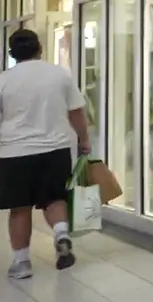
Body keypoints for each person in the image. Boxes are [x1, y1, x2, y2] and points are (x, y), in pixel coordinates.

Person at [0, 29, 90, 279]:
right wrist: (84, 139)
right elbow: (76, 112)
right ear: (39, 48)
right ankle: (61, 235)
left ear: (12, 54)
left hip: (14, 152)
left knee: (20, 208)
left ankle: (21, 263)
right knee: (55, 200)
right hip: (55, 149)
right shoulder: (59, 75)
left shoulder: (4, 80)